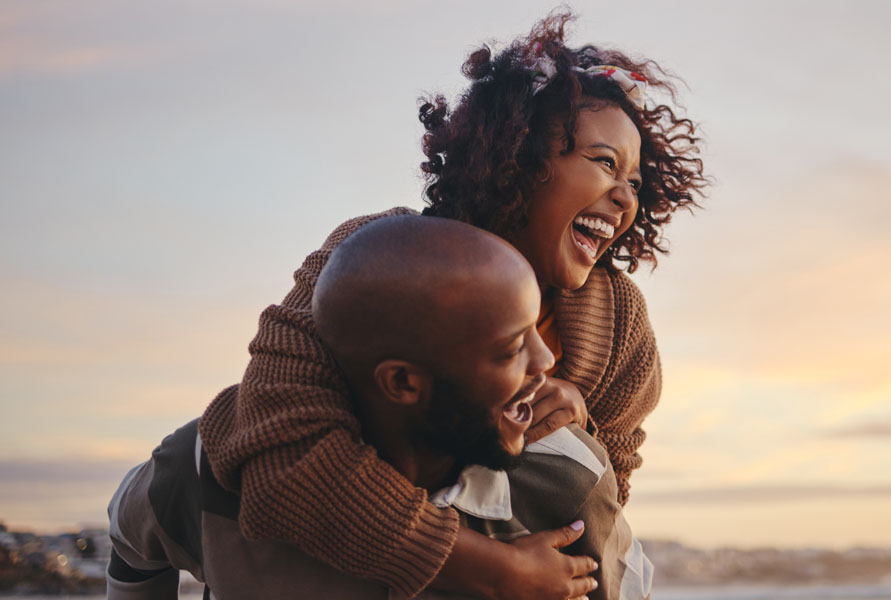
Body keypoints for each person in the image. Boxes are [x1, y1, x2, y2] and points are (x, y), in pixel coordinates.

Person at [198, 10, 707, 600]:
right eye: (603, 162)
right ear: (521, 157)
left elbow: (603, 502)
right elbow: (282, 451)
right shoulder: (374, 258)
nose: (624, 197)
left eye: (637, 182)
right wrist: (485, 568)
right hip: (331, 564)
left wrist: (580, 424)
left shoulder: (619, 323)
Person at [106, 216, 650, 599]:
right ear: (403, 382)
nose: (544, 361)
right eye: (511, 348)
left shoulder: (570, 480)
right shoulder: (211, 465)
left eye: (537, 328)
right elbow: (131, 542)